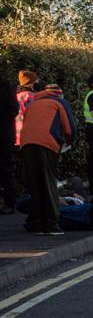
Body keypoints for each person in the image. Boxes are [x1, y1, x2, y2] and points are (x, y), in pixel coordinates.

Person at [18, 83, 76, 235]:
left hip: (26, 144)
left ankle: (37, 224)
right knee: (48, 183)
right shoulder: (59, 102)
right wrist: (68, 143)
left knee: (34, 185)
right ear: (59, 94)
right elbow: (69, 128)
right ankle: (52, 225)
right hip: (46, 144)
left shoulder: (33, 103)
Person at [0, 71, 17, 214]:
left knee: (6, 168)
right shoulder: (7, 86)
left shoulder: (5, 86)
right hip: (5, 132)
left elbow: (13, 109)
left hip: (4, 134)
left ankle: (10, 202)